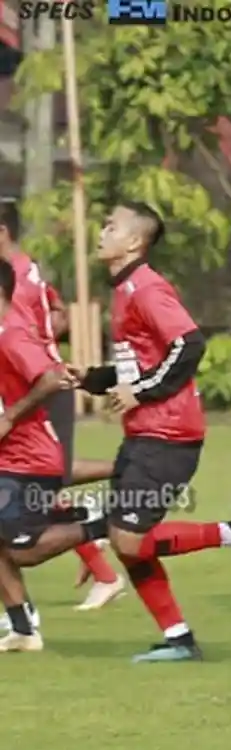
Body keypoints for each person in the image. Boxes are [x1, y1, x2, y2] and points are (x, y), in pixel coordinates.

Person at [24, 202, 231, 661]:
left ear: (134, 242)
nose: (101, 232)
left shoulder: (146, 287)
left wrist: (144, 392)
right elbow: (140, 362)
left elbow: (188, 345)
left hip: (170, 433)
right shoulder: (124, 289)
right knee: (130, 544)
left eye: (111, 226)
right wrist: (93, 378)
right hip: (147, 431)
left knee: (128, 538)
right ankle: (178, 638)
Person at [0, 203, 123, 627]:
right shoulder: (27, 269)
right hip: (30, 380)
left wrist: (29, 352)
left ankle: (105, 510)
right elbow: (59, 315)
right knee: (39, 482)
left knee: (45, 477)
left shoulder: (14, 282)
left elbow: (31, 328)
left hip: (37, 385)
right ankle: (21, 615)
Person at [0, 256, 77, 651]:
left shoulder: (12, 335)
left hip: (30, 458)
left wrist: (10, 416)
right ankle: (23, 631)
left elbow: (52, 378)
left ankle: (97, 522)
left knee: (22, 551)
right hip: (10, 460)